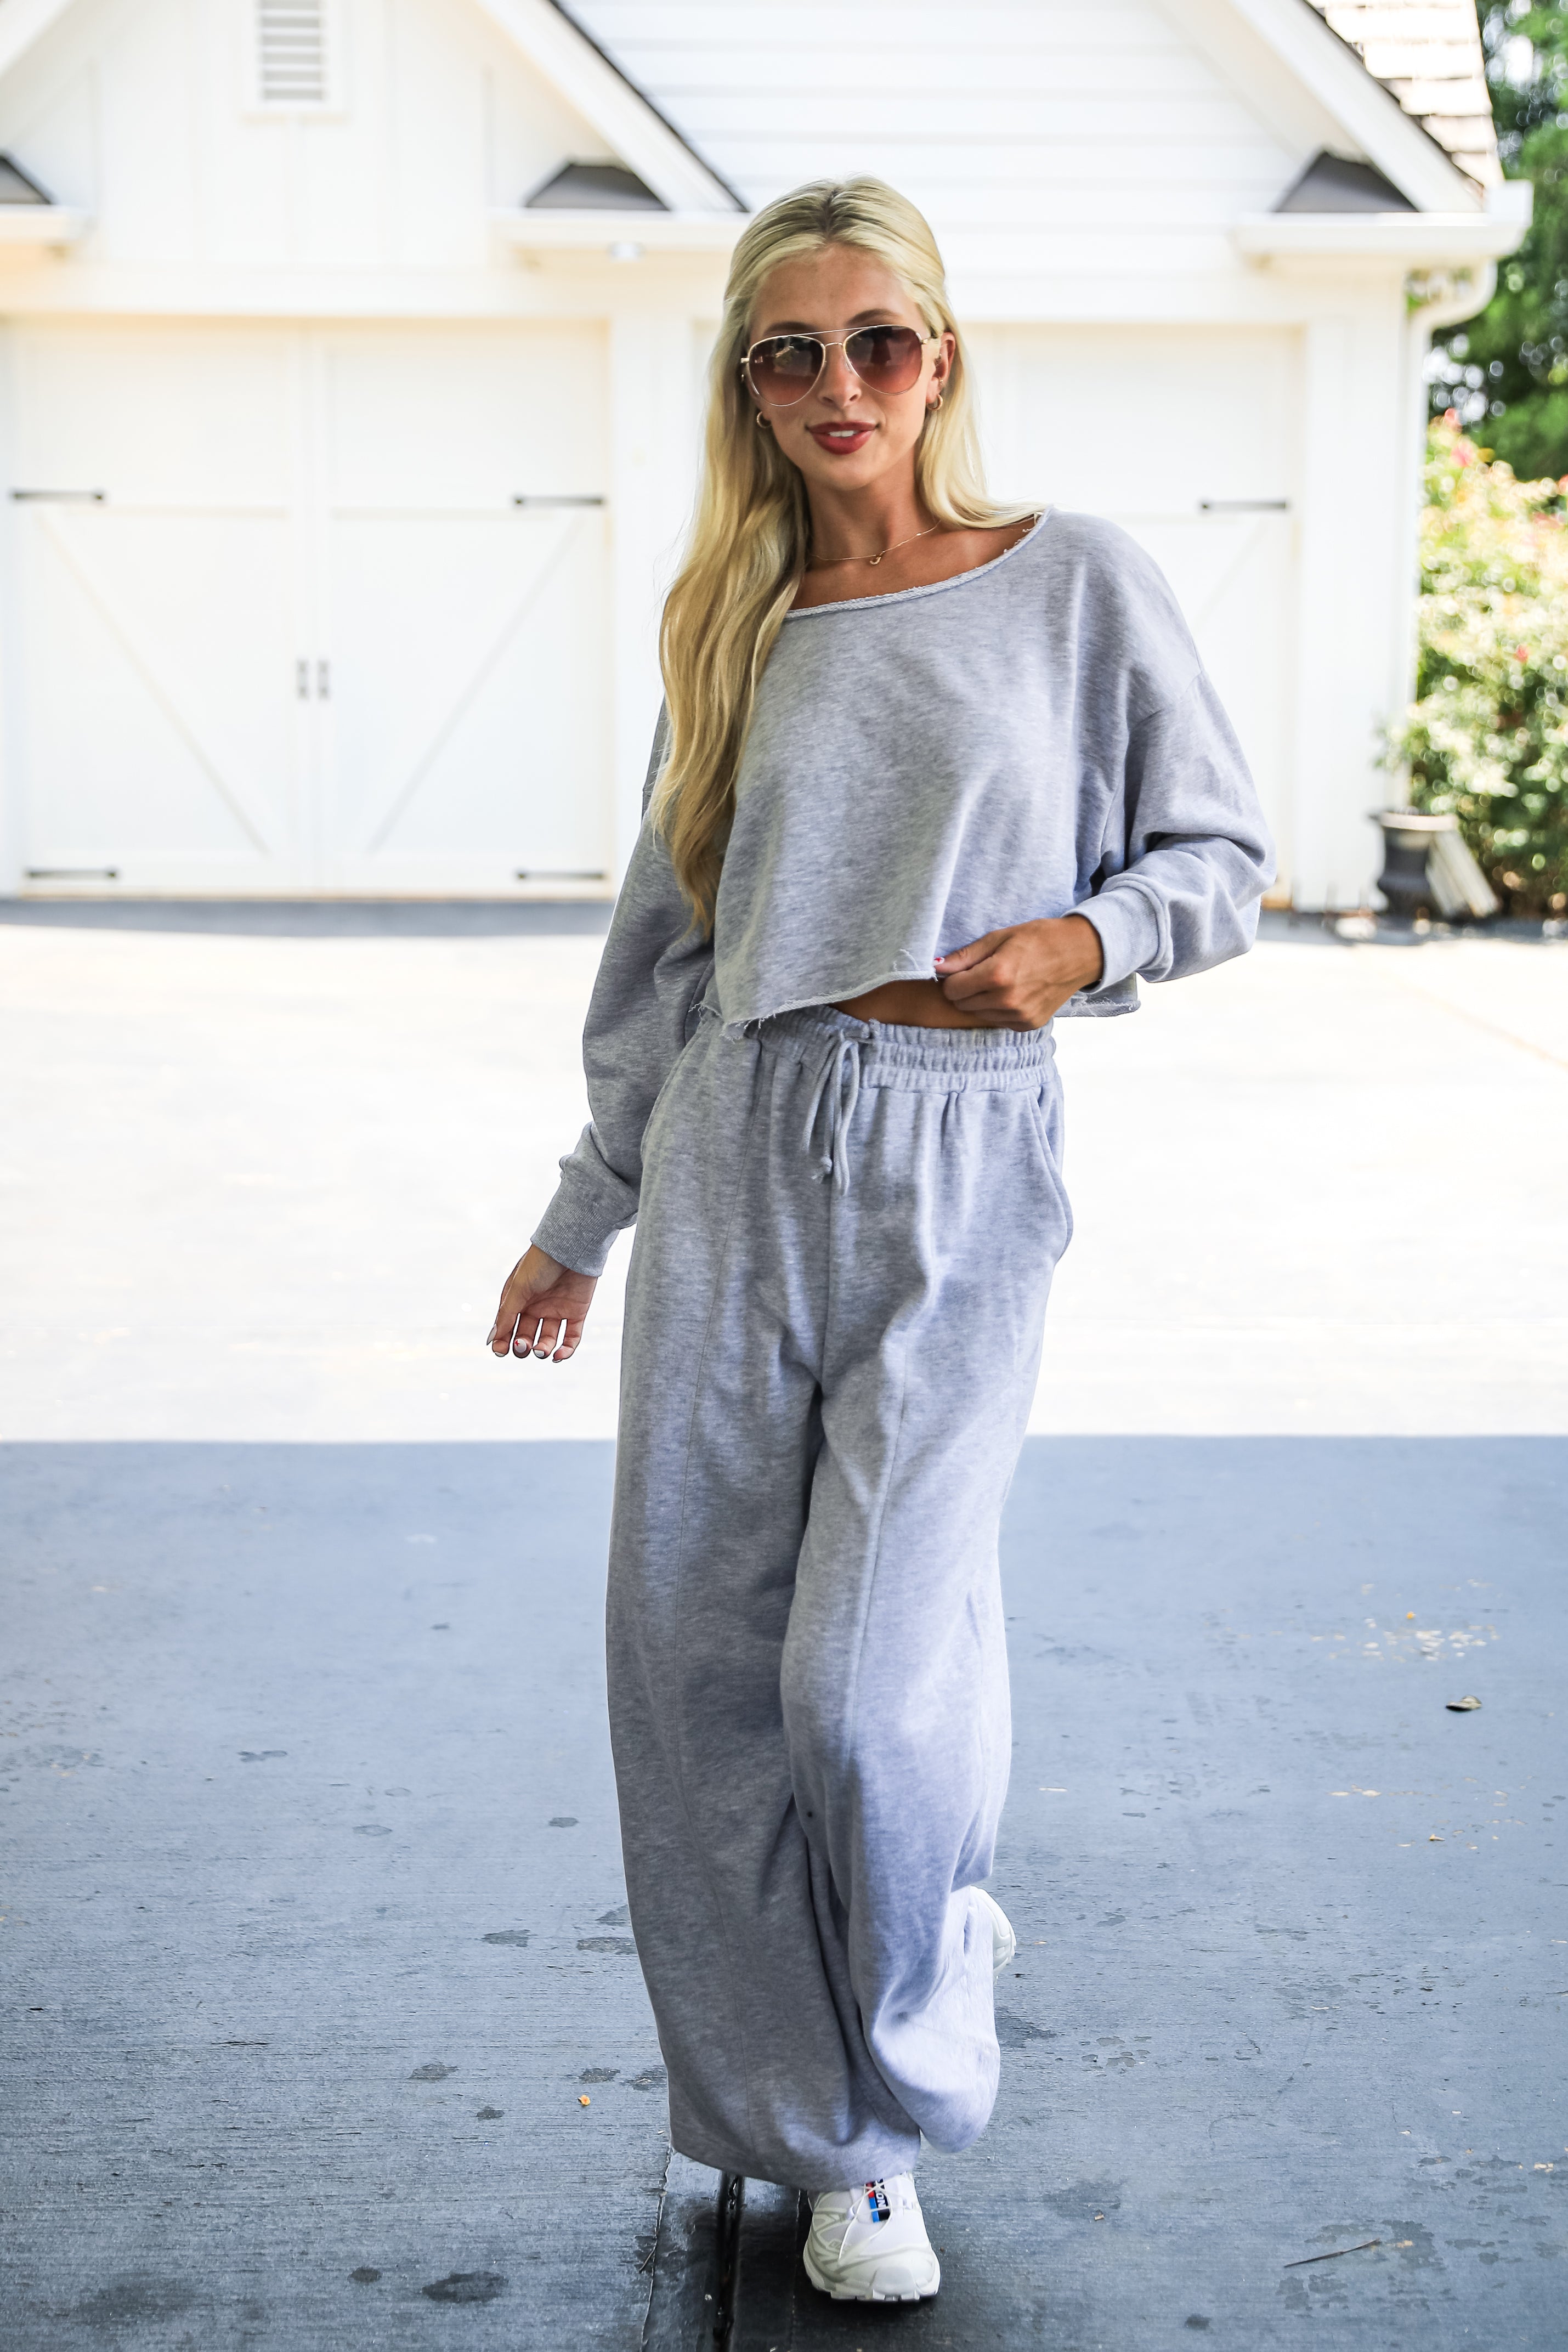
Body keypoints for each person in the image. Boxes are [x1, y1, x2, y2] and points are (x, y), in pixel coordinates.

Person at [488, 177, 1272, 2305]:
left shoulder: (1070, 585)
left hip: (957, 1155)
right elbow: (659, 961)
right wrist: (585, 1215)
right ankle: (820, 2138)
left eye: (878, 342)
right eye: (790, 351)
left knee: (860, 1693)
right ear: (744, 387)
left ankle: (919, 2009)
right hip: (740, 1152)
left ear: (941, 356)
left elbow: (1221, 855)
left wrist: (1082, 939)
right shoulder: (722, 628)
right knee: (696, 1670)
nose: (840, 385)